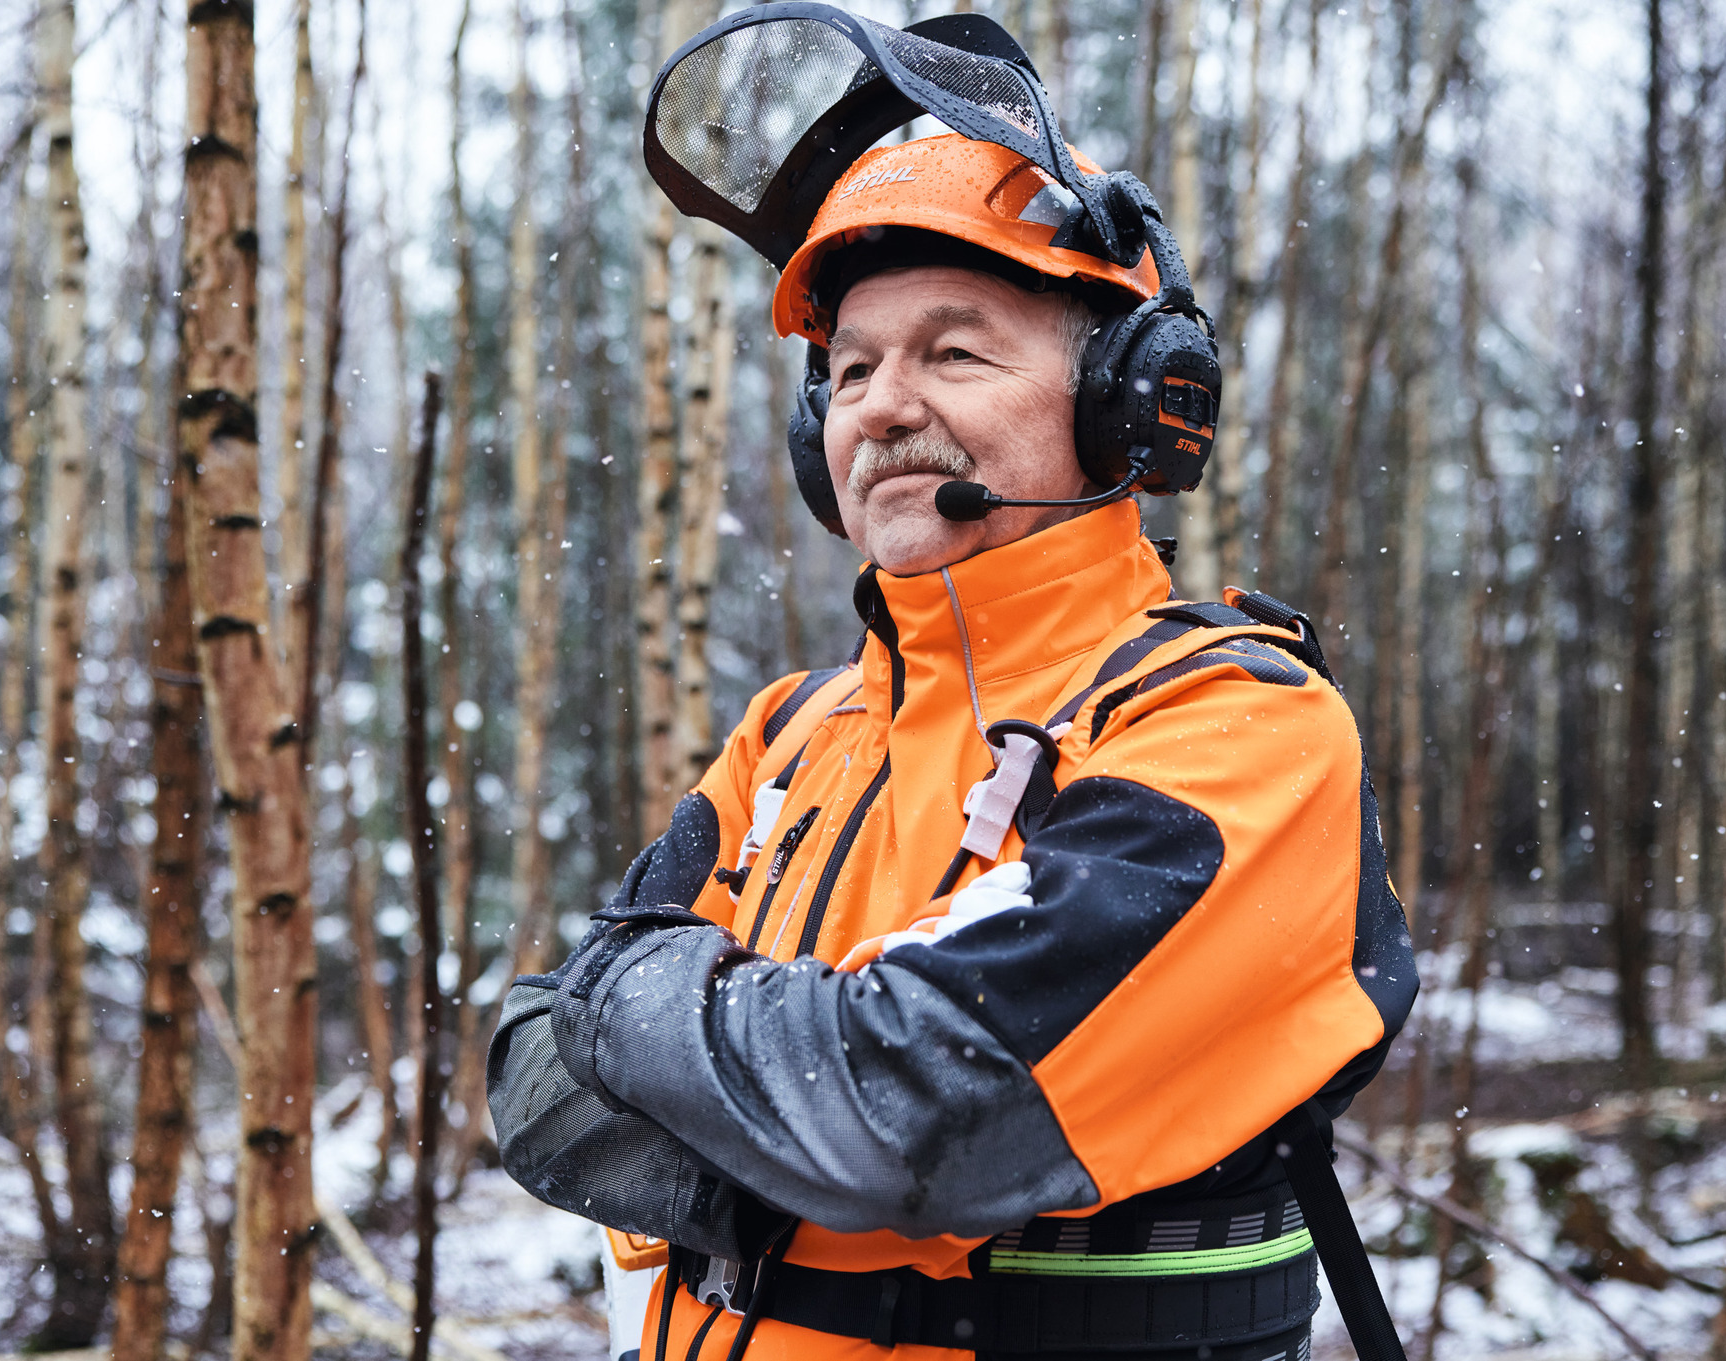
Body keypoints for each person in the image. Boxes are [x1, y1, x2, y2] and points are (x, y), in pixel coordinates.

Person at [488, 37, 1416, 1361]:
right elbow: (530, 1067)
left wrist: (673, 1061)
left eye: (954, 352)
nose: (883, 407)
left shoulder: (1238, 729)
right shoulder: (789, 735)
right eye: (852, 371)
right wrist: (762, 1115)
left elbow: (900, 1108)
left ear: (1129, 401)